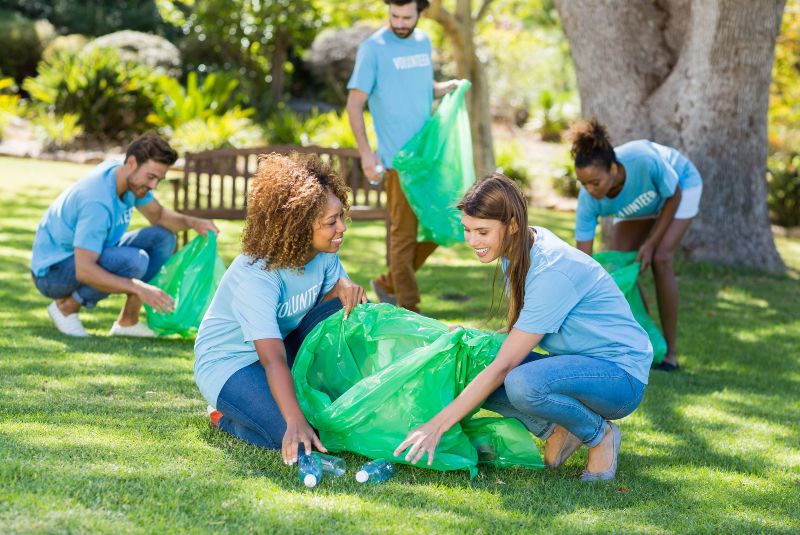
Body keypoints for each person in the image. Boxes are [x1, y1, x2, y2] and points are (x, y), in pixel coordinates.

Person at [394, 174, 653, 481]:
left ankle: (600, 435)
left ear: (512, 225)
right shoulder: (517, 251)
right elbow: (515, 333)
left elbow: (505, 367)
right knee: (471, 359)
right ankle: (557, 427)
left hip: (620, 376)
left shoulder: (550, 270)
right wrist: (470, 340)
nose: (472, 241)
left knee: (521, 382)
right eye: (467, 230)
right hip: (580, 367)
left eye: (482, 231)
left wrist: (437, 424)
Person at [193, 153, 367, 465]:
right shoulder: (256, 275)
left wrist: (344, 287)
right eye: (331, 222)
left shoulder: (324, 252)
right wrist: (294, 418)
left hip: (283, 347)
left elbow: (330, 307)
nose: (341, 227)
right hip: (231, 364)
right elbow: (271, 359)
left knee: (351, 306)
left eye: (340, 216)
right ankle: (224, 417)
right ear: (299, 226)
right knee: (292, 433)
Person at [31, 133, 218, 338]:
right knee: (134, 261)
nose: (154, 186)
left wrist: (193, 222)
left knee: (164, 238)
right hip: (52, 273)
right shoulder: (96, 203)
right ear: (131, 163)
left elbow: (159, 216)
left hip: (86, 255)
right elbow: (85, 269)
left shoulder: (125, 178)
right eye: (151, 177)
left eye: (159, 179)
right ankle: (66, 309)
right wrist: (138, 287)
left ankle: (128, 322)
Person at [346, 0, 460, 313]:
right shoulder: (373, 49)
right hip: (398, 161)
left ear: (420, 13)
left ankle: (387, 283)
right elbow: (354, 104)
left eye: (406, 17)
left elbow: (420, 88)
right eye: (394, 16)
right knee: (404, 234)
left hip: (428, 157)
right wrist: (367, 154)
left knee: (444, 223)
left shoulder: (424, 42)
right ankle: (409, 307)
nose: (399, 22)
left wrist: (446, 88)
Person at [570, 119, 704, 372]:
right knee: (619, 263)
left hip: (680, 186)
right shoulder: (589, 200)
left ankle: (671, 355)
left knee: (661, 257)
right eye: (583, 184)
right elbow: (584, 262)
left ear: (613, 168)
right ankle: (647, 341)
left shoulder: (642, 159)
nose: (589, 189)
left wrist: (652, 243)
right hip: (641, 203)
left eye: (595, 182)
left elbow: (673, 195)